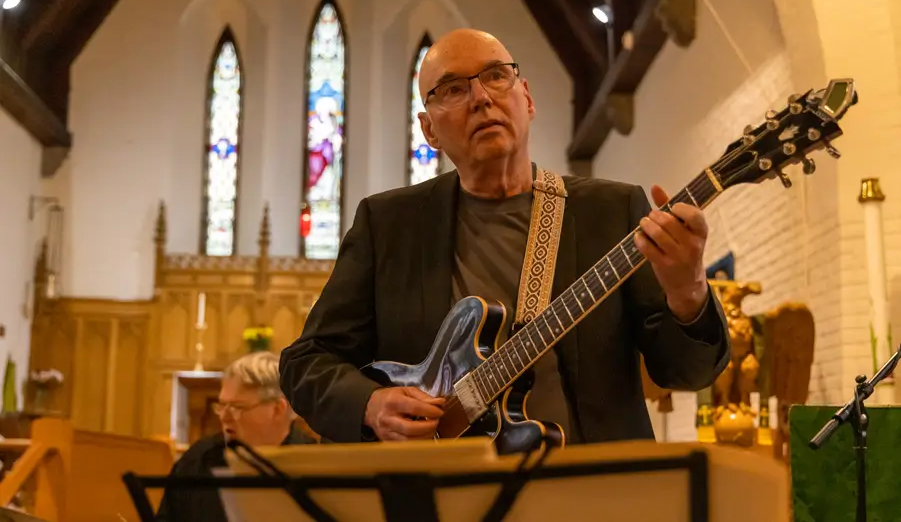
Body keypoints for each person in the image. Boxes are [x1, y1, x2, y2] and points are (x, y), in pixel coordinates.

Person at [279, 28, 730, 446]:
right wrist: (370, 404)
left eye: (496, 76)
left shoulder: (611, 213)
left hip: (592, 490)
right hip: (441, 495)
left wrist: (687, 290)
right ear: (429, 130)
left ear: (527, 99)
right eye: (453, 89)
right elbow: (305, 362)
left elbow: (686, 373)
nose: (480, 97)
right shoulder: (388, 224)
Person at [156, 352, 319, 522]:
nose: (224, 417)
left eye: (237, 407)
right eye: (221, 405)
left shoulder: (316, 466)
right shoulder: (198, 458)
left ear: (278, 409)